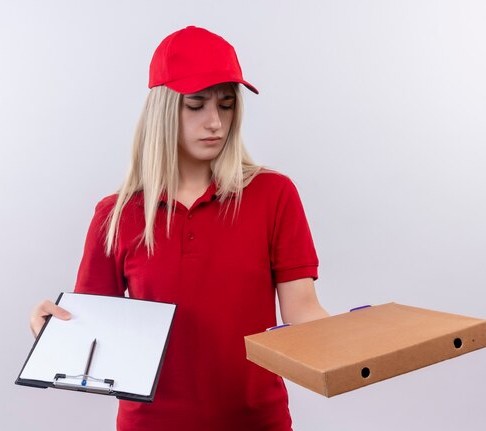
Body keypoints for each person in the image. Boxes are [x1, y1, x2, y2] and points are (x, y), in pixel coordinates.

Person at [29, 26, 329, 431]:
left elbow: (302, 311)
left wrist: (360, 341)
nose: (215, 123)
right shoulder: (116, 215)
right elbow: (95, 337)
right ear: (164, 108)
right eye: (196, 104)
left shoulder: (272, 195)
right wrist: (51, 332)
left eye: (226, 105)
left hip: (257, 422)